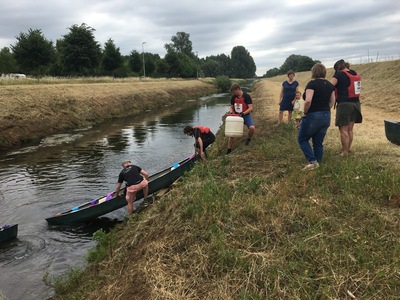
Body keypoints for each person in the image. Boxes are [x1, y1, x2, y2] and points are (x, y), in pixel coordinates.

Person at [298, 63, 335, 170]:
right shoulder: (329, 85)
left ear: (313, 72)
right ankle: (318, 162)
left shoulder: (312, 84)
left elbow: (308, 100)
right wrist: (325, 109)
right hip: (326, 115)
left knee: (302, 139)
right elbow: (332, 100)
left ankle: (312, 161)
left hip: (313, 115)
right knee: (318, 142)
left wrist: (305, 113)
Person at [330, 59, 362, 157]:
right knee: (350, 129)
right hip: (356, 103)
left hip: (344, 104)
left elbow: (329, 86)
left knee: (343, 130)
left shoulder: (339, 75)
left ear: (337, 68)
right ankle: (347, 150)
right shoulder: (355, 73)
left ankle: (344, 153)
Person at [226, 82, 255, 154]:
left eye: (234, 92)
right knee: (231, 134)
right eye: (233, 92)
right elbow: (231, 106)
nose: (234, 93)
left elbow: (250, 108)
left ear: (238, 89)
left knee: (252, 128)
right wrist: (231, 112)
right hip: (236, 117)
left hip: (245, 116)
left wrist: (243, 113)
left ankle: (248, 139)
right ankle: (229, 150)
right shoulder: (233, 97)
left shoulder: (247, 96)